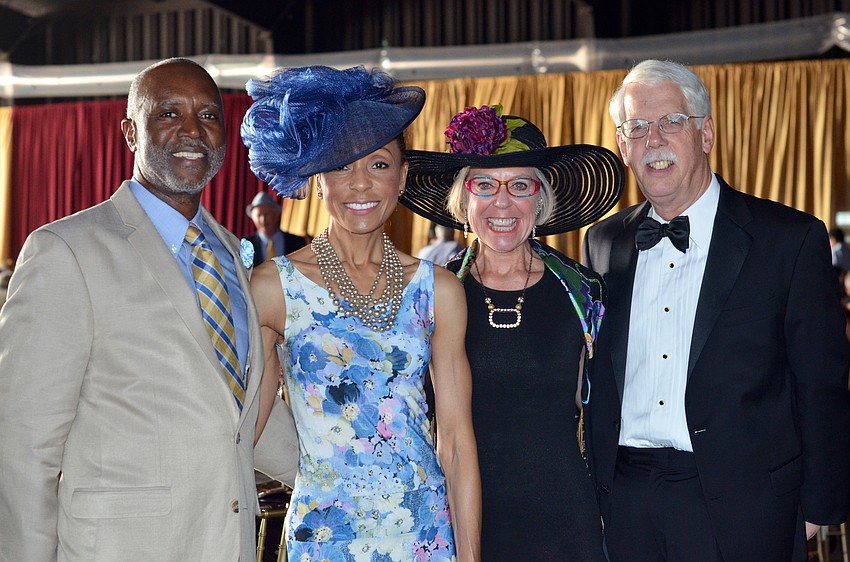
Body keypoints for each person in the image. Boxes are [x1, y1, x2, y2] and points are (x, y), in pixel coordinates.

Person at [0, 58, 299, 562]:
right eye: (168, 113)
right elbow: (23, 444)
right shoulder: (66, 250)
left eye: (208, 116)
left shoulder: (230, 254)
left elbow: (240, 415)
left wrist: (353, 477)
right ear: (129, 132)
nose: (191, 130)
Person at [582, 59, 850, 562]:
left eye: (670, 123)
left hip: (748, 504)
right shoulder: (602, 242)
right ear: (622, 147)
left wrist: (820, 505)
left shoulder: (788, 240)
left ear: (706, 133)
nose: (653, 140)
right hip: (625, 502)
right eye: (637, 128)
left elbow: (822, 382)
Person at [241, 65, 481, 561]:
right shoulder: (272, 288)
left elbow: (455, 443)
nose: (360, 185)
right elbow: (247, 429)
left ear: (403, 176)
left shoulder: (438, 290)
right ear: (316, 179)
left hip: (423, 532)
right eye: (341, 166)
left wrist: (470, 556)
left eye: (377, 164)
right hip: (326, 535)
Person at [401, 104, 625, 560]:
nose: (502, 202)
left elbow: (608, 416)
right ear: (464, 202)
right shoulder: (433, 296)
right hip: (463, 524)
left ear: (540, 201)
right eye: (485, 185)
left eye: (520, 185)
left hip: (568, 524)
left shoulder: (584, 293)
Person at [244, 190, 307, 266]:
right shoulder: (245, 245)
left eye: (267, 214)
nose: (263, 219)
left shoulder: (298, 242)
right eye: (259, 215)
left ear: (276, 215)